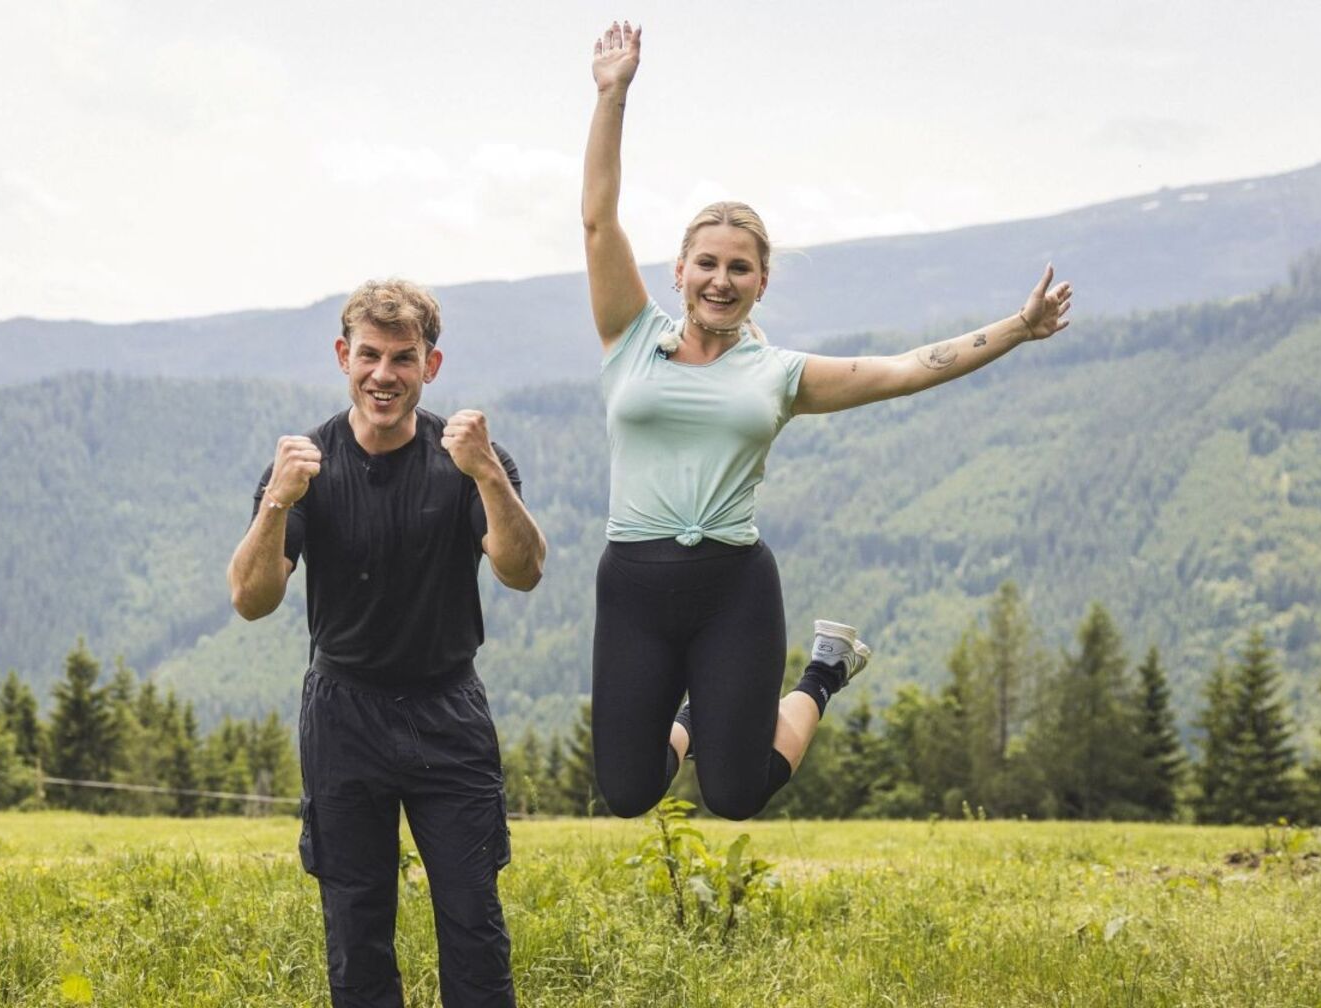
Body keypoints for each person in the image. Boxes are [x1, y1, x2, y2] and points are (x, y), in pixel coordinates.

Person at [581, 22, 1073, 821]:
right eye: (707, 263)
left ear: (762, 281)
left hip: (732, 585)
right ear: (678, 271)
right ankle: (706, 714)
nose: (720, 279)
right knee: (630, 790)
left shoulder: (779, 375)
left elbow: (908, 369)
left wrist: (1018, 328)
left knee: (737, 793)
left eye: (740, 267)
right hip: (634, 582)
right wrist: (613, 96)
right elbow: (600, 222)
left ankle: (822, 673)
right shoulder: (628, 334)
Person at [226, 278, 546, 1008]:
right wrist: (276, 500)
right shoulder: (306, 464)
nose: (384, 375)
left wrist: (487, 474)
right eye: (369, 355)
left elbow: (523, 570)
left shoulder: (469, 459)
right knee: (356, 925)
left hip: (448, 708)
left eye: (403, 358)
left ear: (430, 365)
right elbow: (250, 599)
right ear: (344, 357)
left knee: (473, 918)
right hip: (344, 712)